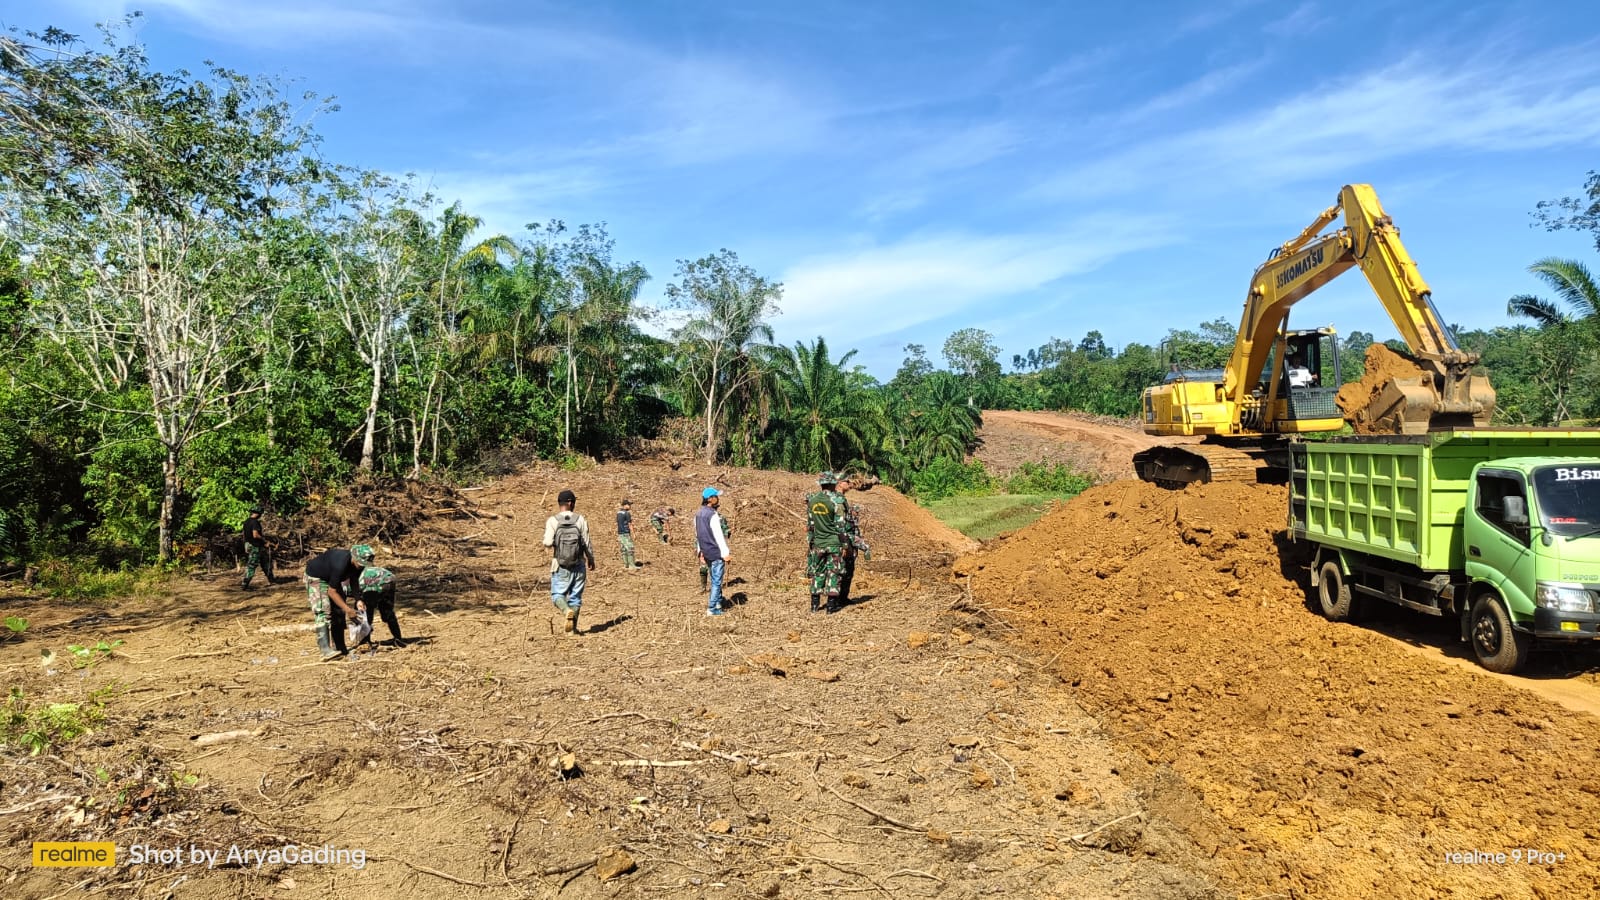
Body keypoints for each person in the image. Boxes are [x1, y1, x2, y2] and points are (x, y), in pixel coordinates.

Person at [304, 544, 373, 660]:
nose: (362, 567)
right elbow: (332, 591)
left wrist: (358, 599)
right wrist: (348, 610)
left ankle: (340, 647)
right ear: (354, 558)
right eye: (360, 564)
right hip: (317, 578)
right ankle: (325, 650)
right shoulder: (340, 564)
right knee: (323, 610)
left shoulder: (357, 565)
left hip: (331, 579)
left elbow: (354, 580)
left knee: (339, 611)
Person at [543, 489, 596, 635]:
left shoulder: (553, 520)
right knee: (576, 597)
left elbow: (547, 542)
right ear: (571, 503)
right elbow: (586, 542)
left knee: (557, 595)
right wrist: (591, 559)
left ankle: (566, 611)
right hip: (579, 563)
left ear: (560, 503)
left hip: (560, 565)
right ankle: (572, 631)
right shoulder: (580, 519)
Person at [806, 472, 850, 613]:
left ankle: (814, 604)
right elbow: (840, 525)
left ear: (821, 484)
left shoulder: (812, 500)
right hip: (834, 543)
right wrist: (845, 545)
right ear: (832, 484)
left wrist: (811, 543)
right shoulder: (836, 500)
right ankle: (831, 606)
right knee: (834, 572)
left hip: (818, 543)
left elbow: (811, 525)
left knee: (817, 572)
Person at [694, 488, 732, 615]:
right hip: (716, 552)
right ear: (709, 499)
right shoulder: (713, 515)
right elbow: (718, 536)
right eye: (716, 496)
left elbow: (698, 534)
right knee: (716, 581)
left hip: (706, 551)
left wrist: (700, 551)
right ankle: (712, 608)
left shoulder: (698, 514)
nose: (718, 498)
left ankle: (717, 602)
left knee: (714, 577)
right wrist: (725, 553)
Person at [837, 478, 870, 604]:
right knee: (844, 573)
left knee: (846, 573)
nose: (856, 514)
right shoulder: (841, 508)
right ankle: (839, 599)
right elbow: (850, 534)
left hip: (849, 545)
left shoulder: (851, 519)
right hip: (846, 546)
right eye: (855, 511)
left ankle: (840, 599)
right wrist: (864, 547)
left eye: (857, 512)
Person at [357, 565, 405, 648]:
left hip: (378, 582)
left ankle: (365, 642)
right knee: (387, 611)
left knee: (367, 612)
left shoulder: (346, 584)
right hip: (389, 578)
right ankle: (398, 638)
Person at [699, 509, 732, 592]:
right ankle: (703, 586)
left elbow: (725, 530)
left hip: (716, 547)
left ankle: (716, 588)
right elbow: (698, 532)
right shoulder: (702, 517)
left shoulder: (720, 517)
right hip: (704, 545)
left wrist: (728, 533)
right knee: (703, 567)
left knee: (715, 569)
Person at [241, 505, 269, 590]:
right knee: (252, 565)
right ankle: (245, 584)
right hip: (255, 547)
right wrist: (264, 541)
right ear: (258, 513)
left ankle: (272, 579)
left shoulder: (246, 522)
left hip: (251, 545)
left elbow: (244, 535)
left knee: (265, 563)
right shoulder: (255, 522)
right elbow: (255, 535)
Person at [617, 499, 641, 571]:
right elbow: (630, 524)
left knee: (623, 549)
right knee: (630, 548)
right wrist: (634, 534)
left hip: (620, 533)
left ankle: (626, 565)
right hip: (626, 533)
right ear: (625, 505)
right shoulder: (627, 513)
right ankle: (632, 566)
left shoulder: (618, 513)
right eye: (629, 505)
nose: (630, 506)